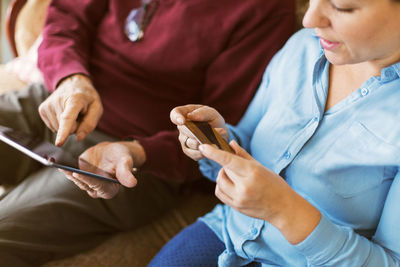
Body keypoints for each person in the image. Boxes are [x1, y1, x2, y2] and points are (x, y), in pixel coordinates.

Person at [0, 0, 295, 265]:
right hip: (59, 98)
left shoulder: (263, 10)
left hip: (138, 157)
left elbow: (217, 135)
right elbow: (66, 14)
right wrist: (69, 78)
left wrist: (137, 152)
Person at [155, 0, 400, 266]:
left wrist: (283, 210)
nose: (309, 19)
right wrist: (218, 140)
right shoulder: (302, 46)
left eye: (342, 7)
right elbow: (249, 143)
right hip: (228, 233)